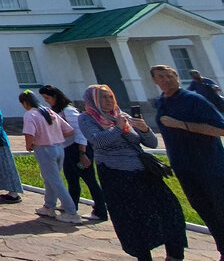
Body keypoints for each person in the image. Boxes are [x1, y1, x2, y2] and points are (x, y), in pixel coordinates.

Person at [80, 84, 185, 261]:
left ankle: (174, 255)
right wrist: (118, 128)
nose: (108, 101)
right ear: (94, 100)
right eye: (103, 97)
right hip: (115, 173)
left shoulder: (123, 116)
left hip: (143, 172)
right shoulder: (87, 118)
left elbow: (151, 143)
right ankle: (143, 256)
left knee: (170, 210)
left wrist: (144, 129)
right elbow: (98, 142)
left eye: (110, 97)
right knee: (132, 219)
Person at [152, 64, 224, 256]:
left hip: (210, 166)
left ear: (177, 77)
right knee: (205, 210)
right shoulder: (161, 102)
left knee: (220, 208)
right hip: (184, 168)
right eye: (161, 77)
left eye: (170, 76)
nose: (167, 80)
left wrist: (182, 125)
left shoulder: (193, 99)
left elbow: (220, 129)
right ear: (155, 81)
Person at [40, 84, 107, 221]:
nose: (46, 100)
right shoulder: (57, 111)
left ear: (55, 96)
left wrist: (82, 153)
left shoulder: (69, 111)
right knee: (72, 179)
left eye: (47, 98)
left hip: (78, 149)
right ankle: (71, 205)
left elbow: (80, 131)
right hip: (68, 149)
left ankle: (101, 210)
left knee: (90, 180)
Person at [19, 89, 81, 223]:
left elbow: (29, 134)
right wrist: (54, 136)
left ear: (25, 103)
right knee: (50, 179)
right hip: (59, 148)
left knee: (55, 181)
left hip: (44, 149)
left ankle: (71, 212)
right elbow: (69, 130)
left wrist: (29, 145)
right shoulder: (50, 112)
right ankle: (49, 206)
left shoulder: (31, 115)